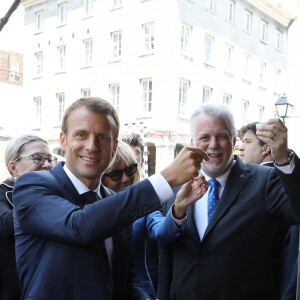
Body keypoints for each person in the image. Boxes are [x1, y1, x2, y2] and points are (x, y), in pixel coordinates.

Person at [12, 97, 208, 300]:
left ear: (114, 147)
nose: (92, 146)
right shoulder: (32, 187)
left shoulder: (115, 202)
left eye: (102, 137)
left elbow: (124, 280)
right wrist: (165, 178)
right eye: (81, 134)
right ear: (63, 140)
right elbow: (79, 225)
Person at [150, 102, 300, 300]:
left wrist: (283, 159)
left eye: (221, 136)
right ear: (193, 142)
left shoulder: (265, 180)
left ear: (233, 139)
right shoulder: (176, 185)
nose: (213, 145)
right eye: (205, 137)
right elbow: (165, 250)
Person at [239, 122, 298, 299]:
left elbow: (290, 252)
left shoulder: (281, 185)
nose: (240, 147)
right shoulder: (242, 181)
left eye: (247, 142)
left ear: (265, 148)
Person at [0, 134, 57, 300]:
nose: (47, 165)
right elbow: (3, 224)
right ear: (13, 167)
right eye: (37, 158)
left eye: (49, 159)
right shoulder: (3, 194)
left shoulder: (56, 193)